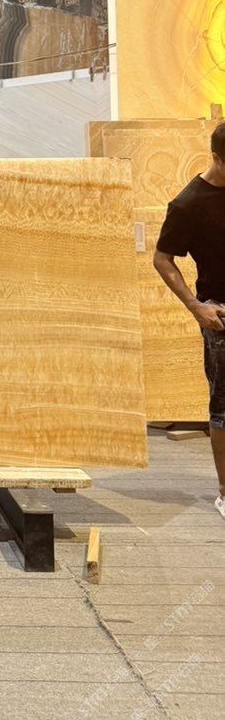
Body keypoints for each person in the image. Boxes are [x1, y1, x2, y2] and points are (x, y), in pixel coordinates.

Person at [153, 121, 225, 521]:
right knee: (224, 407)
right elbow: (162, 258)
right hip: (220, 313)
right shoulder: (189, 204)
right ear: (216, 157)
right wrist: (196, 307)